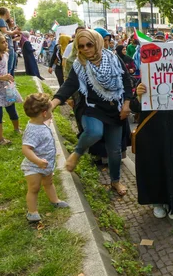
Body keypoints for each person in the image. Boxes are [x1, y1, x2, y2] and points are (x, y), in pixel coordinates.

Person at [49, 29, 132, 196]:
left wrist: (127, 104)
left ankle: (115, 181)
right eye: (81, 46)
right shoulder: (80, 64)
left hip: (114, 109)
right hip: (91, 107)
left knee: (115, 151)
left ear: (97, 43)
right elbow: (69, 85)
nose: (85, 49)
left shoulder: (114, 59)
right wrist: (53, 103)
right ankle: (77, 153)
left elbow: (126, 81)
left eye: (89, 44)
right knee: (94, 132)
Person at [131, 77, 173, 220]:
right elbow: (134, 106)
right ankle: (157, 202)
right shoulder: (147, 75)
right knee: (155, 165)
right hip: (152, 132)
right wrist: (138, 95)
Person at [21, 93, 69, 222]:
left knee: (49, 183)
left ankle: (55, 200)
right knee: (34, 188)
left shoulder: (40, 123)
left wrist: (47, 121)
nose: (51, 111)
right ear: (44, 113)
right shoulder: (33, 130)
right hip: (34, 166)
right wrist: (37, 161)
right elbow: (26, 149)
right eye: (50, 110)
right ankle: (32, 212)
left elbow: (44, 124)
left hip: (46, 164)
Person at [0, 7, 20, 77]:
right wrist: (14, 32)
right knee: (9, 65)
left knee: (12, 64)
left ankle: (10, 81)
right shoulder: (1, 21)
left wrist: (12, 30)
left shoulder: (3, 22)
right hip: (6, 46)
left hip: (9, 45)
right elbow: (5, 32)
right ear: (6, 13)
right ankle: (6, 81)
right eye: (9, 12)